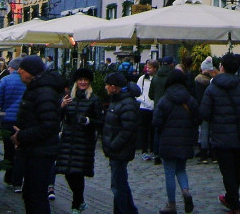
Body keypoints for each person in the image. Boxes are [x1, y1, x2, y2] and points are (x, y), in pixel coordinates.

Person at [199, 52, 240, 214]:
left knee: (227, 171)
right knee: (236, 169)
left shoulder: (212, 89)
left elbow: (204, 113)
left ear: (222, 67)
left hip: (221, 136)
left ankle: (234, 203)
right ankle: (232, 199)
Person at [11, 55, 66, 214]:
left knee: (36, 196)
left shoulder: (43, 92)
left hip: (40, 152)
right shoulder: (37, 89)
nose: (19, 71)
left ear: (31, 72)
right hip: (34, 150)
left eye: (22, 69)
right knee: (31, 194)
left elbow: (48, 125)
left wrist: (21, 136)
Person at [54, 67, 104, 214]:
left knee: (78, 173)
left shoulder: (93, 99)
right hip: (68, 139)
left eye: (85, 80)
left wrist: (88, 121)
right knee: (67, 173)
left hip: (84, 140)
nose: (83, 82)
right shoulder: (69, 97)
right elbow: (58, 117)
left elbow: (100, 122)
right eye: (80, 80)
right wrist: (62, 106)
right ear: (76, 81)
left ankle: (76, 204)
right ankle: (80, 201)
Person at [153, 68, 201, 214]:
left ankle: (171, 204)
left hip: (167, 141)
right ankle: (185, 191)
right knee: (181, 169)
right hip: (185, 140)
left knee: (169, 172)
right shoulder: (190, 100)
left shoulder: (164, 100)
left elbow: (156, 122)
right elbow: (198, 119)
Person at [102, 71, 142, 214]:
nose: (105, 87)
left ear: (113, 87)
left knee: (118, 185)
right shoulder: (117, 100)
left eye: (107, 85)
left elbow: (127, 130)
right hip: (116, 149)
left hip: (120, 150)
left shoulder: (126, 103)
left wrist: (113, 144)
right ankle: (130, 210)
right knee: (121, 183)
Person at [0, 57, 26, 190]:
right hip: (22, 120)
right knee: (21, 149)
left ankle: (9, 176)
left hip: (7, 119)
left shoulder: (5, 80)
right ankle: (18, 178)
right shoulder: (27, 81)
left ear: (12, 68)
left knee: (8, 149)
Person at [149, 55, 175, 164]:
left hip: (157, 108)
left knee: (158, 132)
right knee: (171, 131)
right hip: (170, 108)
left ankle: (157, 154)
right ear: (171, 64)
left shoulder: (155, 77)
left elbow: (150, 95)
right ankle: (169, 154)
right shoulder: (172, 76)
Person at [193, 56, 216, 163]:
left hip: (202, 109)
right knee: (212, 132)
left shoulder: (198, 80)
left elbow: (197, 97)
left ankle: (204, 155)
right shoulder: (214, 81)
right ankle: (214, 155)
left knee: (204, 132)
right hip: (213, 109)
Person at [136, 60, 157, 160]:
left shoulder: (157, 79)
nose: (147, 69)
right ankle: (144, 150)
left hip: (154, 107)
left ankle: (153, 150)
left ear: (155, 68)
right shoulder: (143, 79)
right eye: (147, 67)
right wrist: (143, 100)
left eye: (150, 68)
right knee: (144, 130)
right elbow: (137, 92)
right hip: (144, 107)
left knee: (153, 130)